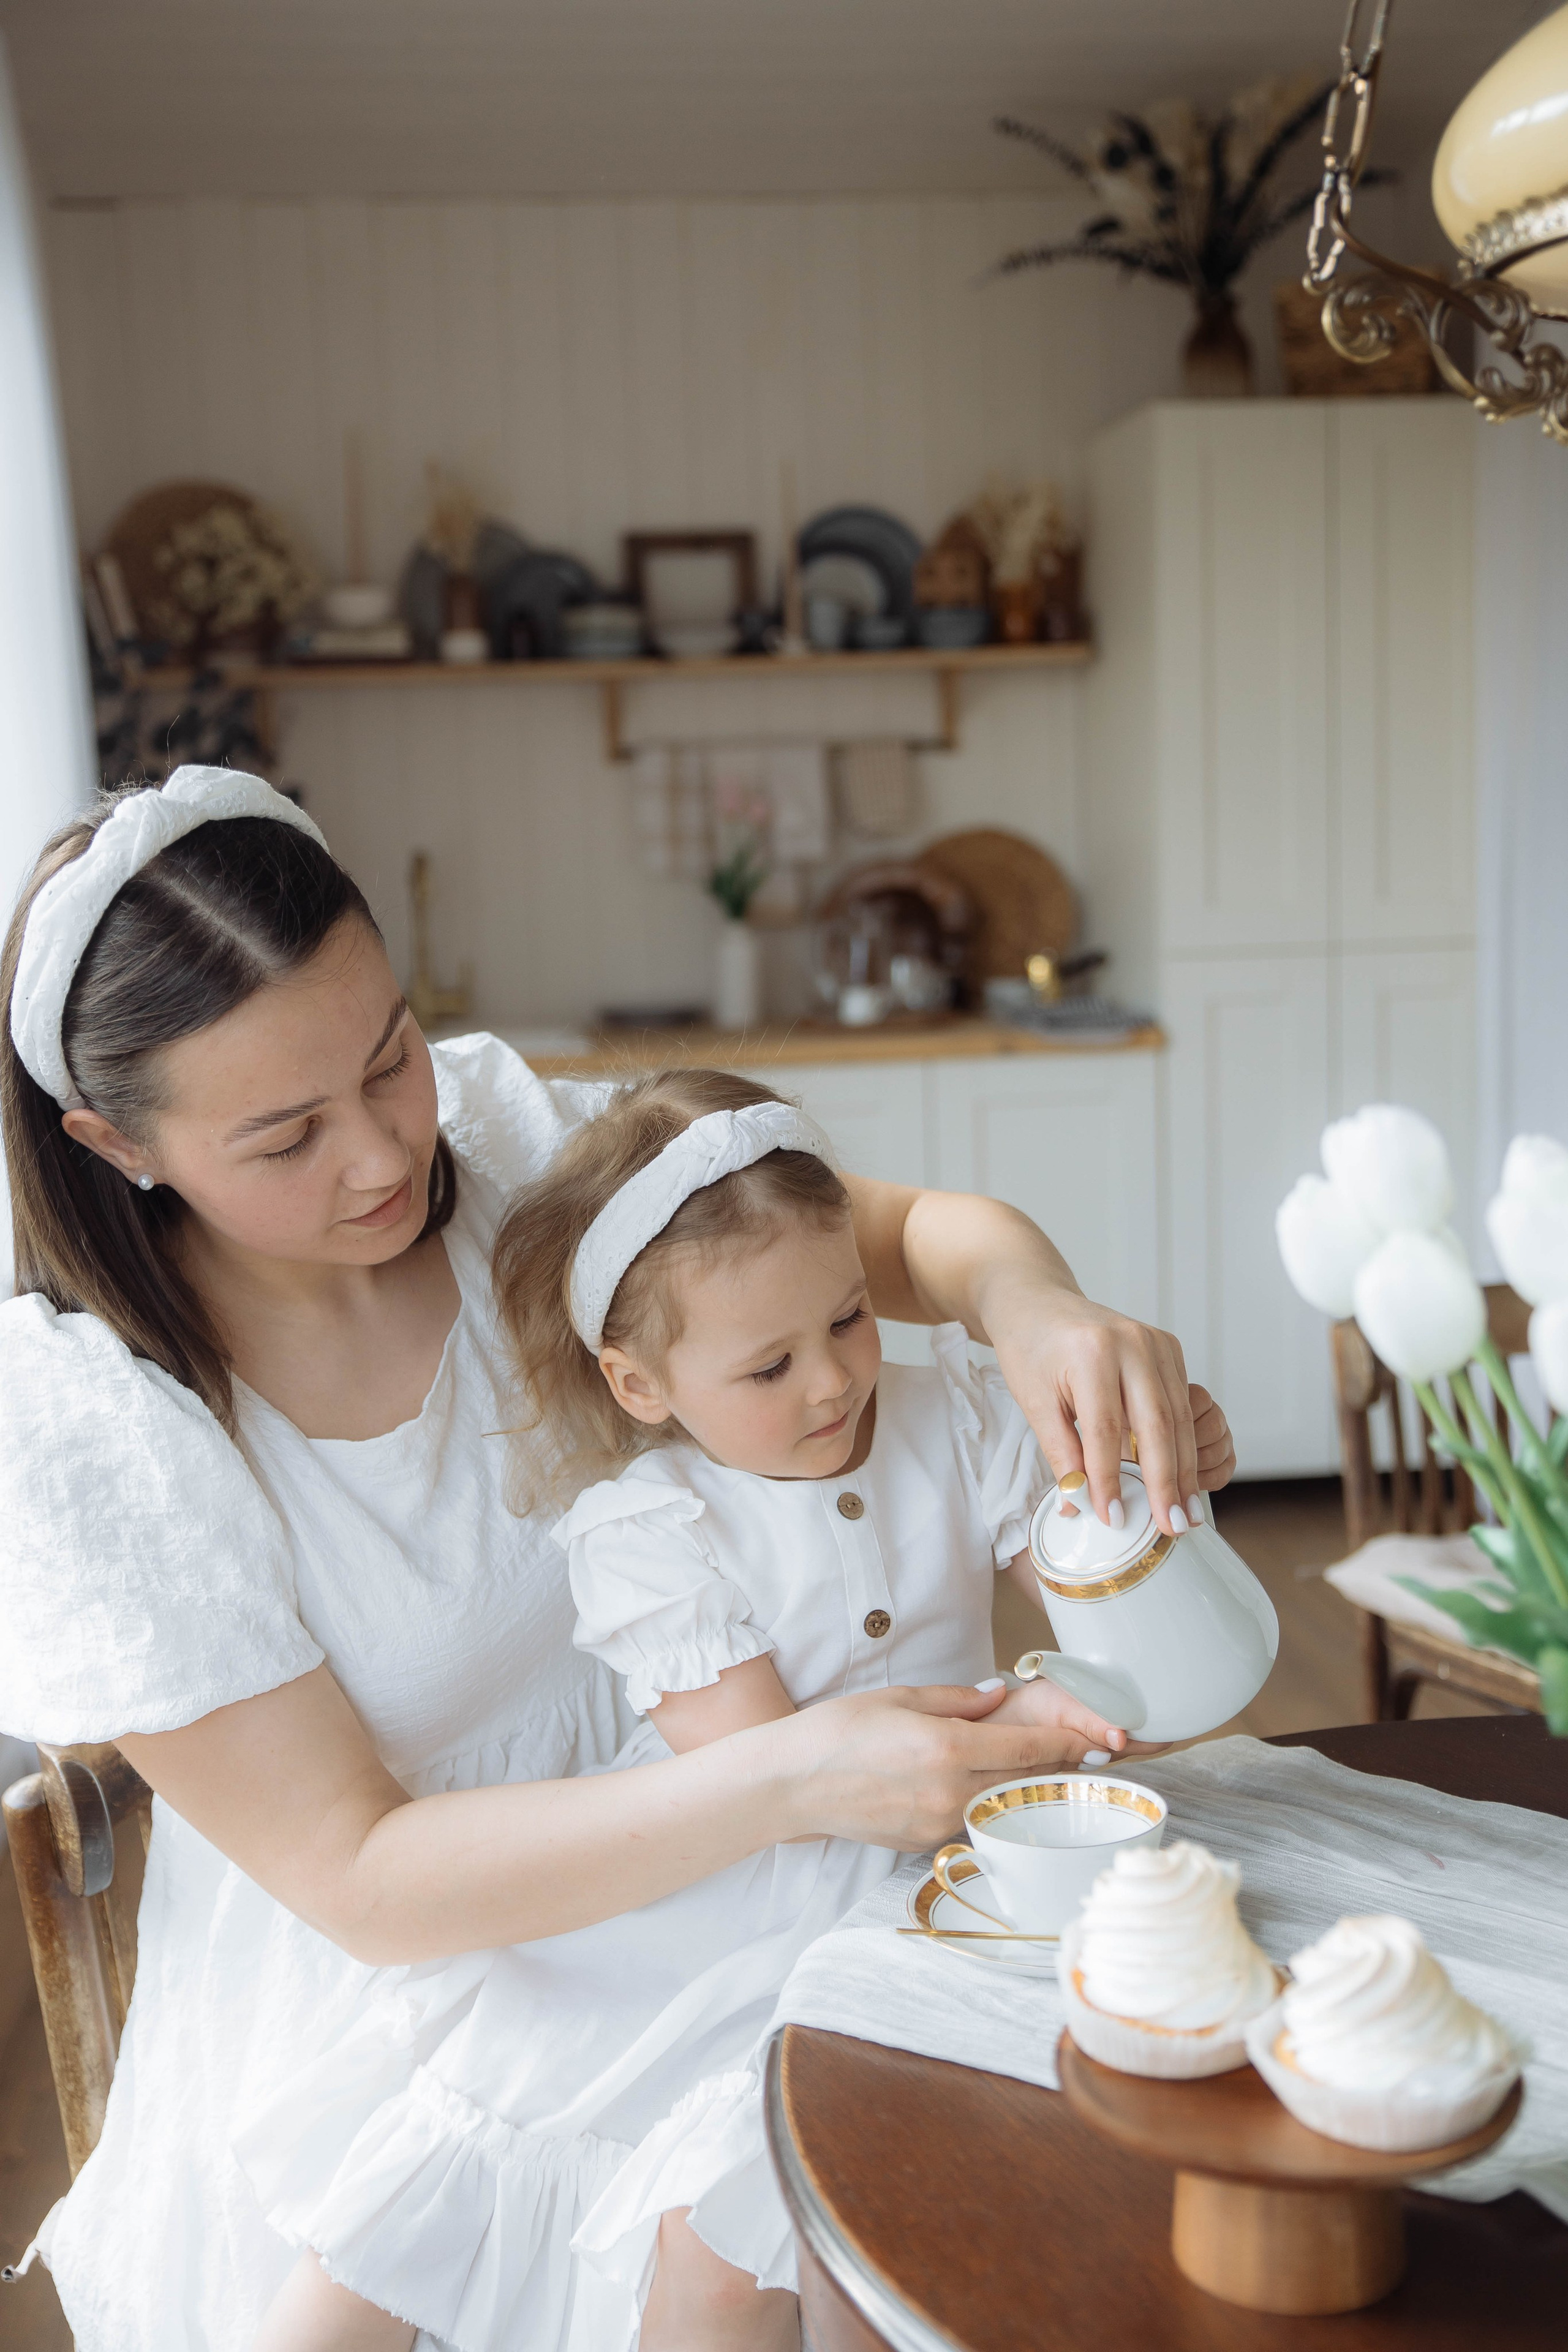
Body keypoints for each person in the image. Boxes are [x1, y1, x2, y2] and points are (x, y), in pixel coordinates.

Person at [0, 769, 1234, 2352]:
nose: (386, 1154)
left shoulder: (514, 1148)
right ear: (117, 1143)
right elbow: (366, 1880)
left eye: (390, 1057)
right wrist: (796, 1779)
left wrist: (1031, 1304)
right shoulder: (103, 1423)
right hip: (423, 1968)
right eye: (289, 1135)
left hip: (737, 1845)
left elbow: (899, 1239)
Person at [236, 1066, 1144, 2351]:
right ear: (641, 1384)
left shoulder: (950, 1416)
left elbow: (1082, 1578)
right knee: (542, 2156)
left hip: (948, 1861)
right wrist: (1028, 1722)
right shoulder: (649, 1531)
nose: (832, 1384)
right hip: (735, 1882)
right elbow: (773, 1775)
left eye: (846, 1320)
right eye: (769, 1364)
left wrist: (1128, 1538)